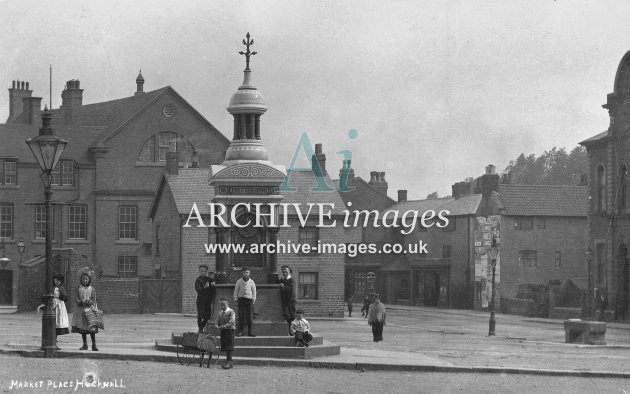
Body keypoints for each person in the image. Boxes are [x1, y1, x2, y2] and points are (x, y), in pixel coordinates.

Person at [71, 270, 99, 351]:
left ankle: (94, 345)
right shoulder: (78, 288)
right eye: (83, 279)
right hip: (81, 310)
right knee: (83, 328)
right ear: (81, 279)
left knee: (91, 328)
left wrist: (88, 302)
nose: (85, 280)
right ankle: (85, 344)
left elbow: (93, 298)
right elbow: (76, 298)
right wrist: (81, 302)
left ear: (89, 280)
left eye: (86, 279)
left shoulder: (92, 288)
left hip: (90, 309)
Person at [233, 267, 256, 337]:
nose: (245, 274)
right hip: (241, 300)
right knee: (241, 316)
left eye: (247, 272)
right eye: (244, 272)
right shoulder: (239, 281)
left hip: (249, 300)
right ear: (242, 273)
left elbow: (254, 291)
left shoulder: (251, 282)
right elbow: (236, 290)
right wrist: (236, 299)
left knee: (250, 316)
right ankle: (240, 331)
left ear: (249, 273)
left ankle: (250, 331)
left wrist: (253, 300)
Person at [216, 297, 236, 369]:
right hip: (223, 331)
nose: (222, 307)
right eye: (221, 305)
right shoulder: (220, 312)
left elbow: (232, 321)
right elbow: (217, 320)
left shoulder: (231, 312)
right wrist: (216, 324)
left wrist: (224, 326)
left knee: (229, 346)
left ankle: (229, 362)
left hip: (230, 330)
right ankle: (228, 360)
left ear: (228, 304)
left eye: (224, 305)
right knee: (225, 346)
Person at [195, 265, 215, 331]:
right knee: (200, 316)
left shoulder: (208, 279)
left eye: (204, 271)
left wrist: (214, 283)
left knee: (207, 316)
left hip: (207, 301)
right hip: (200, 300)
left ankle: (201, 327)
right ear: (199, 271)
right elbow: (197, 289)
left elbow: (215, 282)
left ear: (206, 272)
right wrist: (204, 287)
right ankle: (200, 329)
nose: (203, 272)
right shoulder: (198, 280)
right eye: (201, 271)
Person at [277, 265, 296, 334]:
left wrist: (283, 287)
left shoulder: (292, 280)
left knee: (292, 316)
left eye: (286, 272)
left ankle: (294, 330)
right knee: (287, 316)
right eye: (283, 272)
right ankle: (290, 330)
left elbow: (291, 289)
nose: (284, 273)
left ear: (289, 272)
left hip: (291, 301)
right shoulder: (282, 280)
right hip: (284, 301)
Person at [52, 273, 70, 339]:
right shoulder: (52, 287)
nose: (57, 282)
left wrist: (60, 297)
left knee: (59, 320)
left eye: (59, 281)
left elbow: (65, 298)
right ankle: (53, 336)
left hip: (59, 306)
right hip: (52, 305)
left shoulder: (61, 288)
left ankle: (55, 337)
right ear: (54, 280)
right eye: (56, 280)